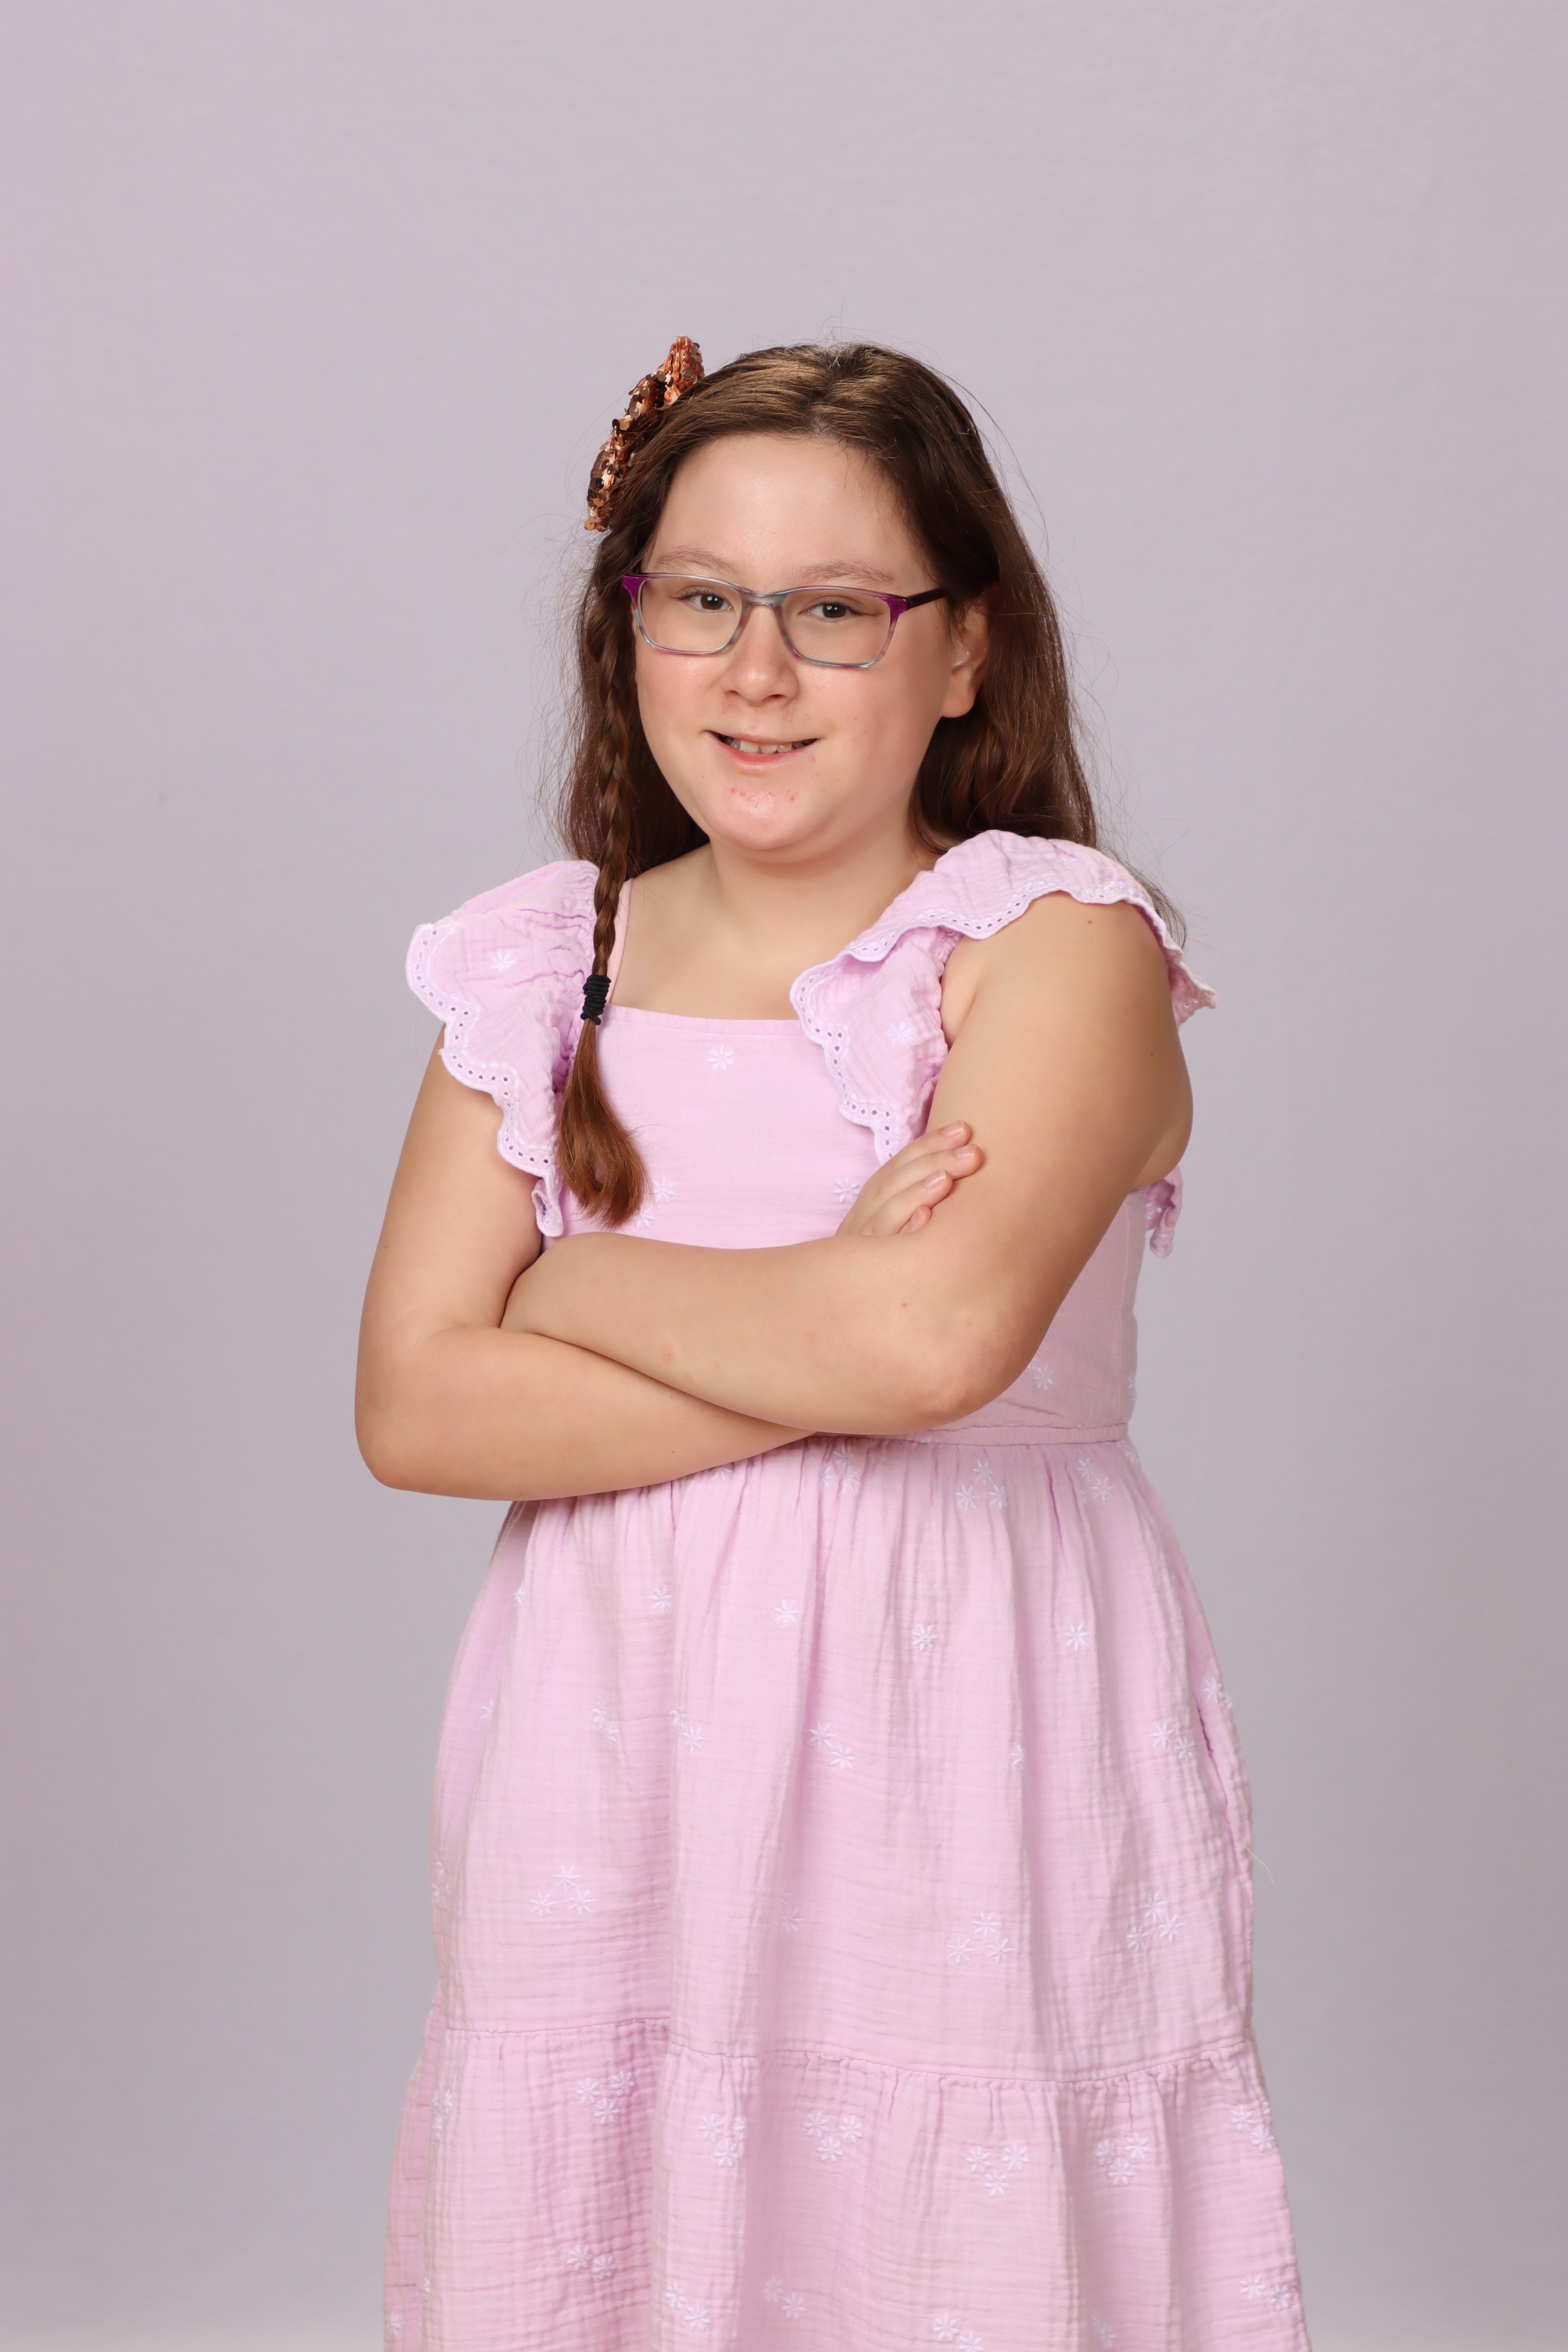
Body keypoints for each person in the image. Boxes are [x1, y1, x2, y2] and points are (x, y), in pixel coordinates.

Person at [357, 339, 1309, 2351]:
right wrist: (816, 1309)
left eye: (837, 612)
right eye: (700, 600)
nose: (756, 670)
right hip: (614, 1737)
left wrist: (575, 1290)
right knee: (623, 2216)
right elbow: (418, 1403)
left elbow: (930, 1345)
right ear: (630, 626)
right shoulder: (546, 969)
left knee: (940, 2233)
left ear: (963, 650)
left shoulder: (1050, 945)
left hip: (963, 1708)